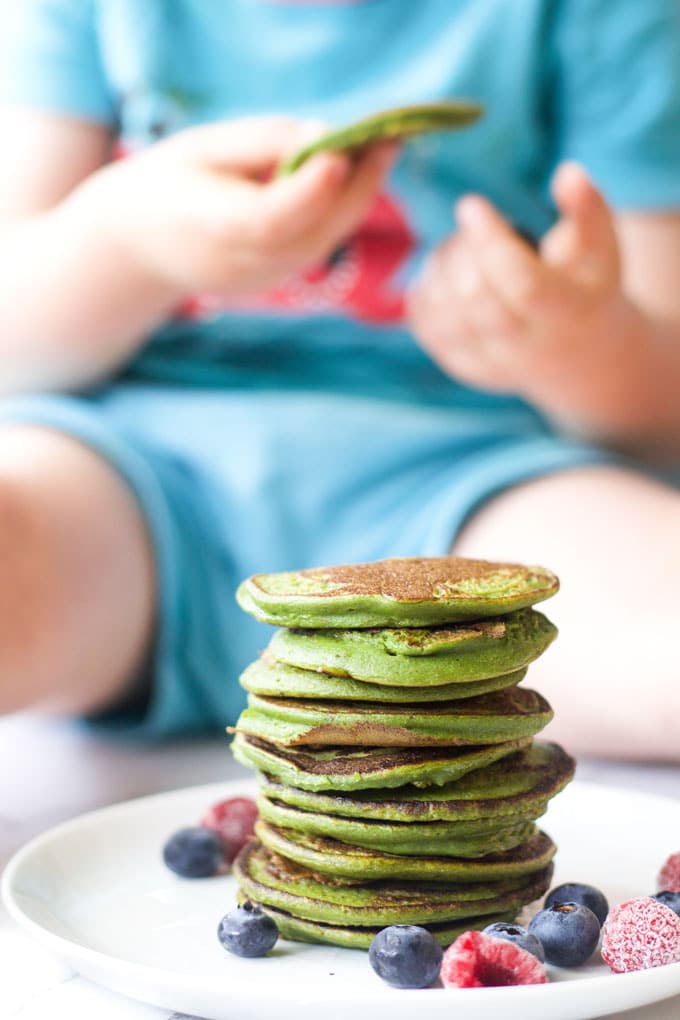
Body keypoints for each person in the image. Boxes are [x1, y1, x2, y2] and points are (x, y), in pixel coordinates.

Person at [0, 0, 678, 760]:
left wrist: (582, 347)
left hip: (477, 487)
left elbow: (661, 411)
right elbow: (15, 346)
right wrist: (123, 247)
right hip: (125, 486)